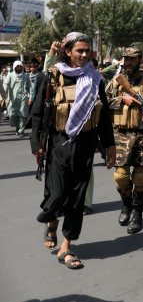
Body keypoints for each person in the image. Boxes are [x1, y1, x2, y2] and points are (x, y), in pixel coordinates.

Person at [31, 32, 116, 269]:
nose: (84, 55)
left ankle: (66, 247)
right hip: (58, 143)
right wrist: (36, 144)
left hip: (85, 144)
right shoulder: (52, 76)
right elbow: (38, 114)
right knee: (56, 194)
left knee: (77, 198)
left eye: (87, 51)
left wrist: (109, 146)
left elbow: (104, 116)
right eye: (79, 50)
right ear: (68, 51)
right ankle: (50, 220)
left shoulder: (95, 79)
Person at [106, 46, 143, 234]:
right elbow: (103, 101)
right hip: (120, 134)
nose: (129, 62)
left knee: (139, 177)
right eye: (126, 59)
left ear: (140, 59)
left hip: (142, 135)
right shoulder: (116, 81)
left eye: (133, 59)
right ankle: (126, 204)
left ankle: (138, 213)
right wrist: (121, 100)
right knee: (120, 176)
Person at [3, 60, 31, 137]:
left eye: (20, 66)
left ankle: (21, 131)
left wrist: (30, 97)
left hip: (23, 97)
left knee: (23, 113)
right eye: (17, 66)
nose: (19, 67)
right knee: (12, 113)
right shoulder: (10, 75)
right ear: (14, 67)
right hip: (13, 98)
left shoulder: (25, 76)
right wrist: (4, 93)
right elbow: (5, 84)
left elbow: (30, 88)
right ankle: (18, 127)